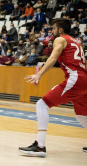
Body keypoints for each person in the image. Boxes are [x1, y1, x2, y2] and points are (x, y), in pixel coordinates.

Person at [19, 18, 87, 156]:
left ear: (60, 30)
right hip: (84, 79)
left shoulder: (61, 39)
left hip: (75, 78)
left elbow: (52, 58)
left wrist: (39, 74)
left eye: (54, 28)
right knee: (82, 115)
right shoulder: (77, 43)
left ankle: (40, 146)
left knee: (42, 104)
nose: (52, 31)